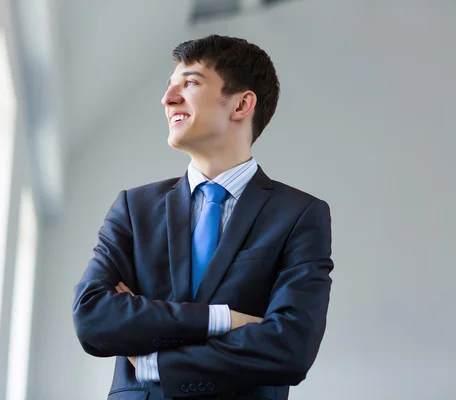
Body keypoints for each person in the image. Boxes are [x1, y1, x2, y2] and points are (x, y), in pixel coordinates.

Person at [72, 34, 333, 400]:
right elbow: (93, 317)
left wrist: (155, 364)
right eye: (169, 87)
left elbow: (290, 347)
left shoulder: (299, 215)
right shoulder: (134, 208)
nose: (167, 99)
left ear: (242, 104)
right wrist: (224, 319)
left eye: (190, 82)